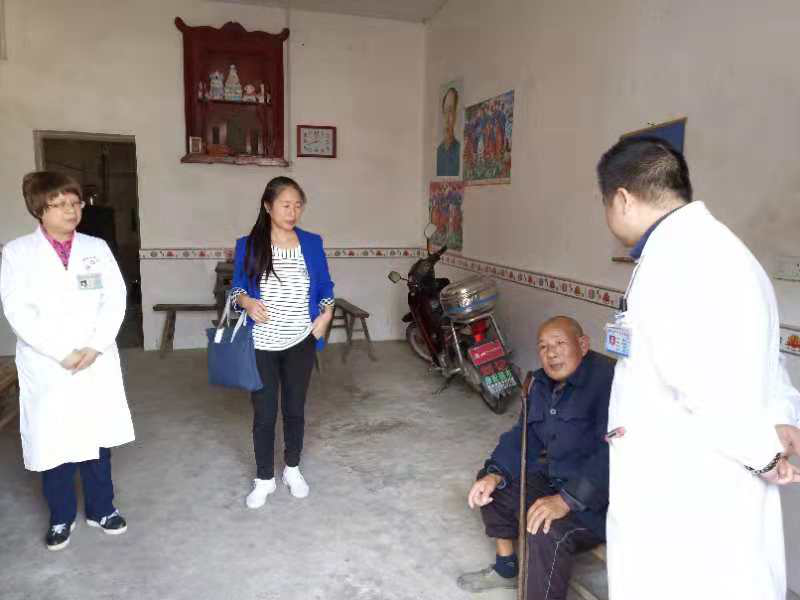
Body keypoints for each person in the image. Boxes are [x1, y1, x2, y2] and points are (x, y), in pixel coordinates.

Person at [596, 137, 800, 600]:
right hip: (710, 473)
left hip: (687, 486)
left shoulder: (678, 262)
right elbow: (765, 357)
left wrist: (763, 453)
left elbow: (705, 385)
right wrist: (783, 415)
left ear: (622, 199)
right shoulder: (726, 251)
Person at [0, 172, 134, 551]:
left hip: (95, 357)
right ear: (39, 209)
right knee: (53, 440)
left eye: (75, 203)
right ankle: (60, 516)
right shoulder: (17, 253)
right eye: (60, 205)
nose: (71, 211)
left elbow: (115, 298)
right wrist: (62, 352)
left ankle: (102, 508)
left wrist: (96, 345)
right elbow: (18, 311)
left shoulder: (96, 247)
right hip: (48, 363)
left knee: (96, 436)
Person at [458, 316, 614, 599]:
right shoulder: (539, 382)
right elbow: (524, 435)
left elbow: (614, 455)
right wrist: (495, 473)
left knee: (545, 529)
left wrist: (566, 500)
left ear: (582, 344)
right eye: (543, 346)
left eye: (559, 343)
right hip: (555, 476)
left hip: (597, 499)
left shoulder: (609, 382)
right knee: (494, 485)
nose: (551, 353)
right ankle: (506, 568)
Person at [229, 176, 334, 508]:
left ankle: (292, 468)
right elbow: (236, 289)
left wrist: (326, 315)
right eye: (285, 205)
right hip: (261, 344)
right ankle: (264, 478)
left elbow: (326, 287)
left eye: (298, 205)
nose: (292, 212)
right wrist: (247, 302)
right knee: (264, 414)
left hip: (301, 341)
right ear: (267, 206)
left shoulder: (311, 243)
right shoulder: (249, 245)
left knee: (294, 409)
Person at [436, 86, 461, 176]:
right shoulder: (438, 152)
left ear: (455, 115)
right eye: (445, 111)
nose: (447, 119)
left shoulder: (460, 150)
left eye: (450, 111)